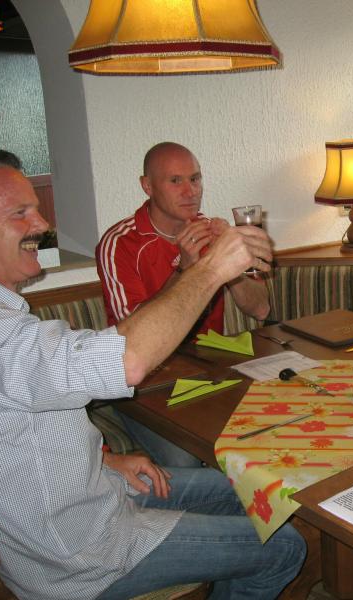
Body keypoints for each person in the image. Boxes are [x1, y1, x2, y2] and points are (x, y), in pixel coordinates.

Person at [0, 150, 305, 599]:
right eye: (20, 212)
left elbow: (5, 435)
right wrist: (208, 269)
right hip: (80, 554)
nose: (42, 223)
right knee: (284, 546)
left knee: (261, 488)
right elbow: (126, 360)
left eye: (36, 208)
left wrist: (105, 461)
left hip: (101, 492)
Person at [96, 142, 272, 467]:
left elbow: (260, 309)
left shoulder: (211, 231)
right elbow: (131, 341)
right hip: (145, 383)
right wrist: (186, 270)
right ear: (147, 186)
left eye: (195, 179)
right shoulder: (120, 242)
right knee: (188, 456)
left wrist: (228, 261)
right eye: (175, 181)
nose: (190, 191)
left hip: (208, 370)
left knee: (271, 419)